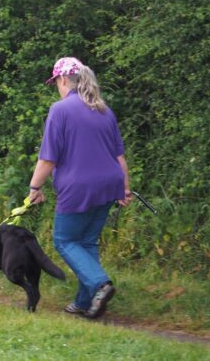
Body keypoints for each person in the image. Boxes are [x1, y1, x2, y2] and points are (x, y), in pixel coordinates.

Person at [27, 56, 132, 318]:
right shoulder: (104, 110)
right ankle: (86, 303)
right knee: (86, 242)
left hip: (78, 188)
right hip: (109, 186)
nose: (57, 88)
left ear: (63, 80)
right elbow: (119, 156)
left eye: (56, 83)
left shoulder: (60, 110)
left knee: (64, 240)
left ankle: (101, 284)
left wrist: (34, 187)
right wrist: (125, 189)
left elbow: (48, 158)